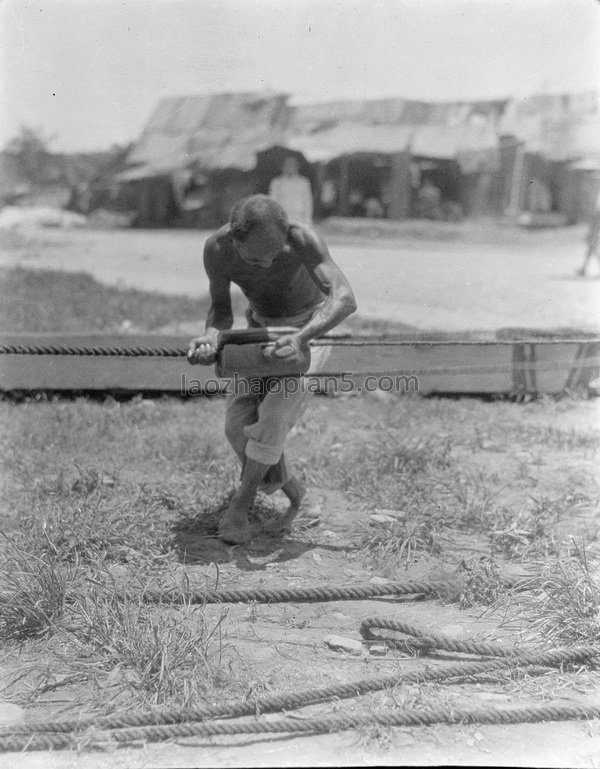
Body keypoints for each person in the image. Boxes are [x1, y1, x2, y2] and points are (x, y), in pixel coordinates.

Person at [187, 194, 356, 545]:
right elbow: (220, 313)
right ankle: (294, 490)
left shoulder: (303, 239)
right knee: (237, 427)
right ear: (234, 240)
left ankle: (240, 507)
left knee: (275, 415)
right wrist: (209, 339)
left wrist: (302, 337)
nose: (265, 265)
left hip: (310, 331)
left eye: (274, 256)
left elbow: (344, 298)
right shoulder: (217, 249)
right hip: (260, 329)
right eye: (253, 259)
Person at [268, 156, 313, 225]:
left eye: (293, 165)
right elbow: (272, 201)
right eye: (287, 164)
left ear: (297, 167)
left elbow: (308, 202)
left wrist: (307, 221)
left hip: (300, 219)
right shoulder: (276, 182)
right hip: (282, 218)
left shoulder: (304, 182)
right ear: (283, 167)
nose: (290, 167)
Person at [576, 189, 600, 277]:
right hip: (597, 217)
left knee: (591, 244)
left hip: (598, 218)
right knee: (591, 246)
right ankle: (584, 268)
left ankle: (584, 268)